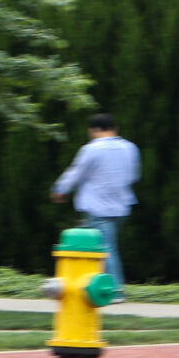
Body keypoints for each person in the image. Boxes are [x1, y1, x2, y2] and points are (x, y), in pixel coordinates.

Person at [51, 112, 140, 300]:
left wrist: (60, 189)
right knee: (101, 246)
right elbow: (133, 175)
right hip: (122, 205)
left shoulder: (92, 149)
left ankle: (114, 290)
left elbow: (77, 172)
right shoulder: (130, 148)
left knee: (105, 248)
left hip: (97, 206)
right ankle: (90, 284)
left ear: (93, 130)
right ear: (115, 128)